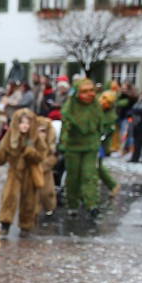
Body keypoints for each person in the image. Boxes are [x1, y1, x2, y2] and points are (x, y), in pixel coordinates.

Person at [0, 108, 49, 237]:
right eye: (22, 123)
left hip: (29, 172)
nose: (25, 126)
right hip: (14, 171)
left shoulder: (35, 139)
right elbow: (1, 155)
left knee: (29, 200)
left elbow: (42, 155)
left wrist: (30, 152)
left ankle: (26, 227)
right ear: (17, 124)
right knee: (9, 196)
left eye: (27, 123)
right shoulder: (11, 137)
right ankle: (5, 224)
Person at [59, 78, 108, 218]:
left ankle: (91, 204)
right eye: (84, 91)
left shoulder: (95, 106)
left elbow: (100, 124)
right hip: (73, 146)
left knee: (89, 174)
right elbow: (65, 126)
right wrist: (63, 141)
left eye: (91, 91)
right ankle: (73, 204)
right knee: (73, 176)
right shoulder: (71, 106)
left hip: (91, 145)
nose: (89, 94)